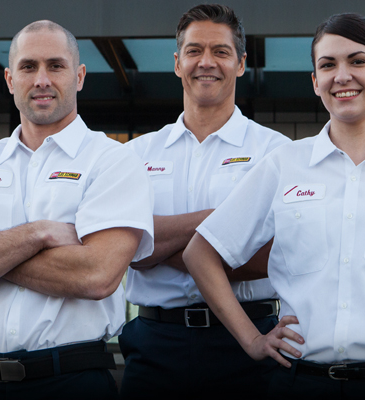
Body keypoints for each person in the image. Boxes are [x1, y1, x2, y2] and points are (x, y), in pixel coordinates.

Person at [185, 13, 365, 399]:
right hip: (299, 383)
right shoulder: (283, 166)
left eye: (357, 61)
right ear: (315, 82)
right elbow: (201, 253)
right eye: (328, 65)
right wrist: (253, 341)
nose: (342, 76)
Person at [0, 20, 154, 399]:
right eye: (28, 67)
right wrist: (38, 234)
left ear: (79, 76)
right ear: (10, 79)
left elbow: (97, 276)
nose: (41, 79)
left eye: (55, 66)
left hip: (71, 382)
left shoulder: (112, 162)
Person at [118, 4, 290, 398]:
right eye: (194, 51)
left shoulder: (276, 153)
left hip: (249, 342)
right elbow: (125, 248)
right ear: (178, 63)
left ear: (241, 63)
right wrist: (219, 223)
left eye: (221, 51)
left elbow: (274, 256)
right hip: (156, 343)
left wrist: (159, 240)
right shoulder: (136, 155)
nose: (206, 62)